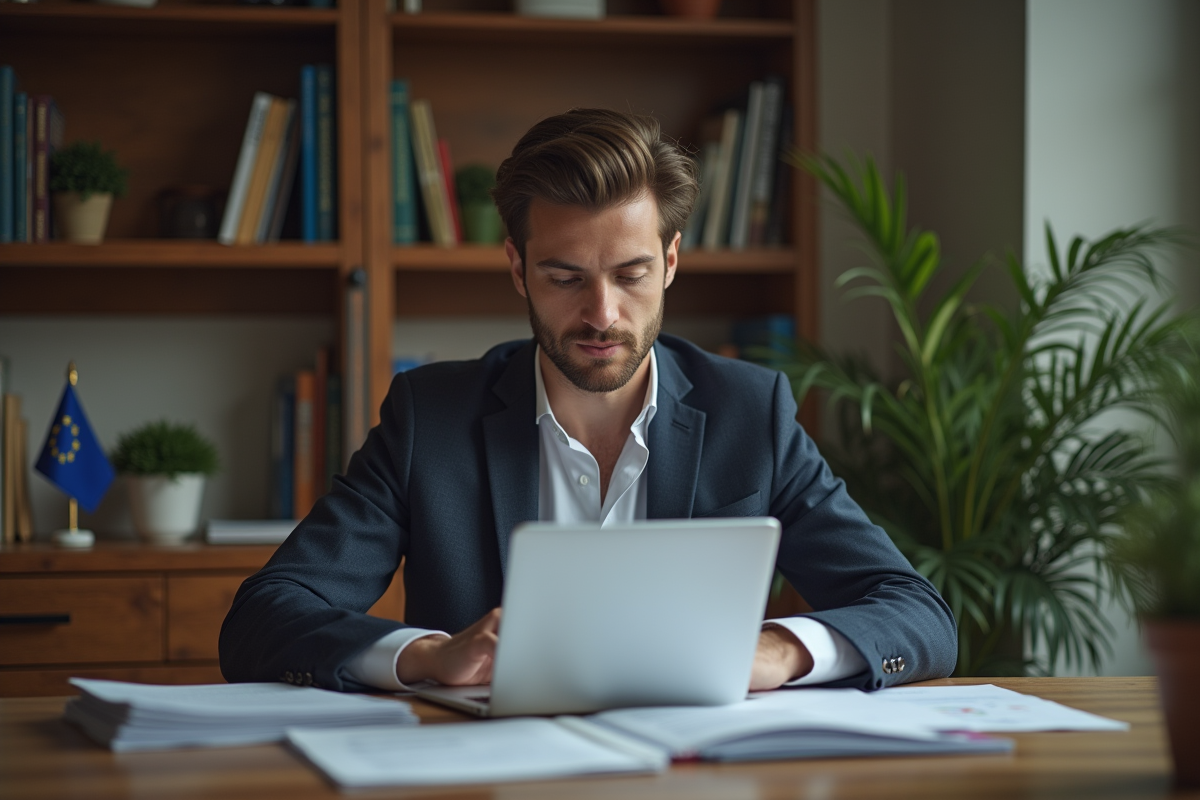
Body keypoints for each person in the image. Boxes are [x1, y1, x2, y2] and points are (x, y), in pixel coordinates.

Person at [219, 108, 956, 694]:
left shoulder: (750, 414)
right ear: (517, 268)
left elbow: (917, 613)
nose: (602, 314)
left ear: (670, 262)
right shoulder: (429, 418)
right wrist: (427, 657)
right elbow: (262, 619)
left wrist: (779, 651)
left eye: (631, 274)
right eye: (566, 277)